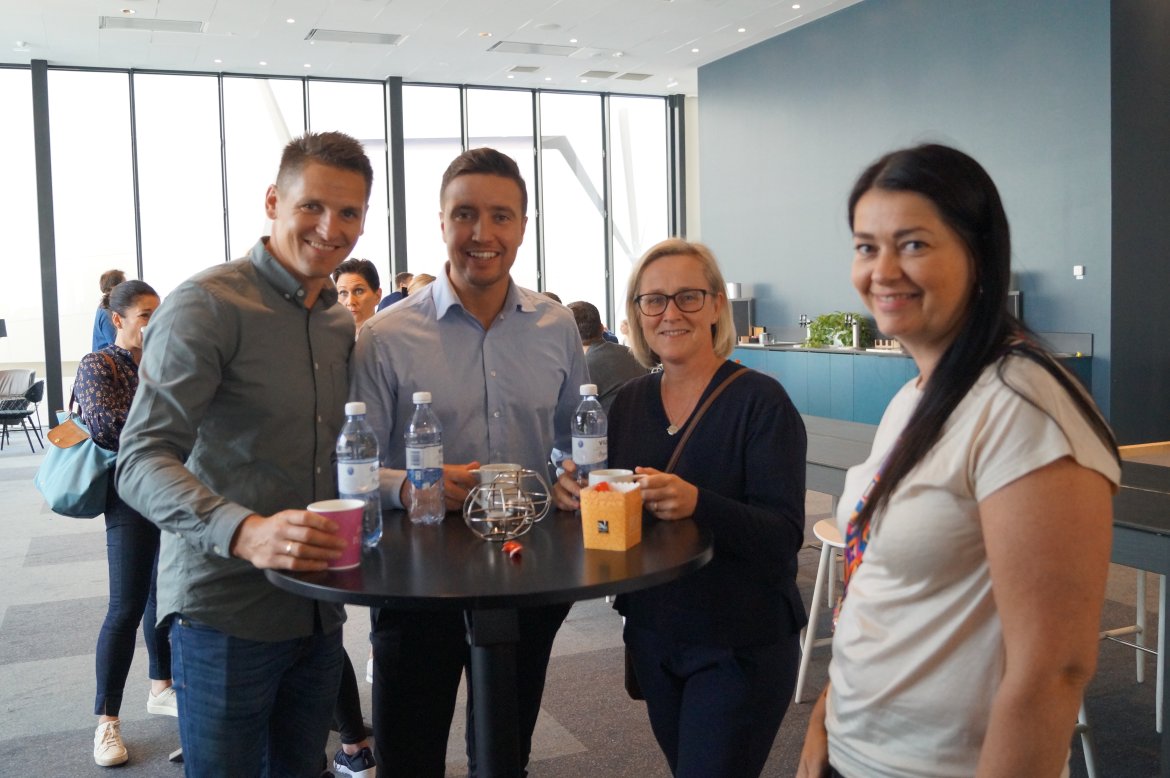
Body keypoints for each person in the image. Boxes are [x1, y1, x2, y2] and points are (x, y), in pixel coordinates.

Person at [796, 144, 1121, 778]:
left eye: (913, 244)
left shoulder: (1021, 406)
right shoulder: (917, 397)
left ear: (979, 255)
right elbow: (877, 584)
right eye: (866, 247)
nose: (883, 270)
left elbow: (1054, 670)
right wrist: (825, 716)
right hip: (854, 750)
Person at [116, 131, 373, 778]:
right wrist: (246, 531)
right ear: (273, 202)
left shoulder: (335, 320)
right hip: (225, 610)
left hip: (318, 606)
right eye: (312, 205)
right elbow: (140, 457)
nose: (330, 227)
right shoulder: (207, 305)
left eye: (349, 212)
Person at [351, 147, 589, 776]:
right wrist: (410, 488)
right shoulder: (385, 337)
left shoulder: (556, 326)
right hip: (416, 577)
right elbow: (349, 467)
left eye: (501, 216)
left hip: (526, 570)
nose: (483, 233)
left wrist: (571, 476)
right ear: (441, 223)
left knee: (506, 755)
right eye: (465, 215)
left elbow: (573, 439)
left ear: (523, 227)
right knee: (410, 757)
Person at [553, 238, 808, 778]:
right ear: (637, 315)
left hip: (740, 639)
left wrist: (698, 503)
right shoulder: (628, 403)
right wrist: (574, 495)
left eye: (688, 297)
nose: (670, 313)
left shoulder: (761, 402)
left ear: (716, 306)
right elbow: (611, 511)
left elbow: (783, 536)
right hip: (655, 633)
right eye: (654, 300)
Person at [77, 280, 174, 767]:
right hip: (129, 496)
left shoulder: (164, 362)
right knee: (126, 605)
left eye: (158, 313)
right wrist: (166, 430)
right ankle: (106, 723)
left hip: (172, 491)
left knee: (165, 597)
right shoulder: (100, 365)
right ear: (118, 319)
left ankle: (162, 686)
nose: (153, 323)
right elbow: (106, 426)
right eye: (144, 315)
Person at [567, 300, 647, 414]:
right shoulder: (634, 355)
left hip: (607, 425)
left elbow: (570, 413)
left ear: (569, 335)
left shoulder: (581, 368)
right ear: (601, 329)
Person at [333, 258, 382, 333]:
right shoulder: (327, 337)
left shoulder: (392, 337)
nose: (350, 302)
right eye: (343, 292)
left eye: (359, 291)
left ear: (377, 296)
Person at [91, 269, 126, 352]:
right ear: (113, 287)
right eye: (124, 284)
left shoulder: (110, 307)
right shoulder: (106, 311)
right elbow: (116, 345)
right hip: (108, 358)